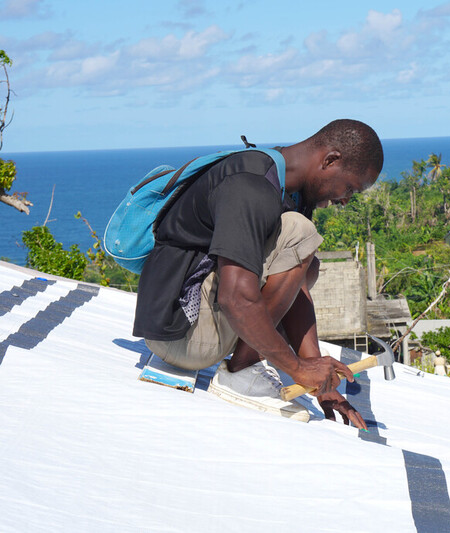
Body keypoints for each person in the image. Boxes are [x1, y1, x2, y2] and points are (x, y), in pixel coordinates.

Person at [132, 119, 383, 429]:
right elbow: (236, 297)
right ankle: (240, 373)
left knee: (308, 259)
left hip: (189, 325)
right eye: (349, 188)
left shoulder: (288, 190)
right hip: (180, 332)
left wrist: (317, 378)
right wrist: (296, 368)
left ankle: (246, 364)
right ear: (330, 160)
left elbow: (296, 289)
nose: (345, 200)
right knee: (300, 234)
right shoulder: (250, 184)